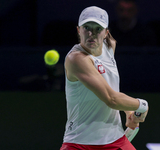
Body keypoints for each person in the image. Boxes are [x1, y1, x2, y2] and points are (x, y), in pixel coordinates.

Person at [60, 6, 149, 150]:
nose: (91, 34)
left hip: (115, 140)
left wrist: (128, 111)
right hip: (80, 143)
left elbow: (110, 87)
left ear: (106, 32)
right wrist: (142, 105)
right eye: (86, 27)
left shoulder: (109, 46)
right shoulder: (76, 59)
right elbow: (111, 99)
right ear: (78, 30)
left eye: (97, 29)